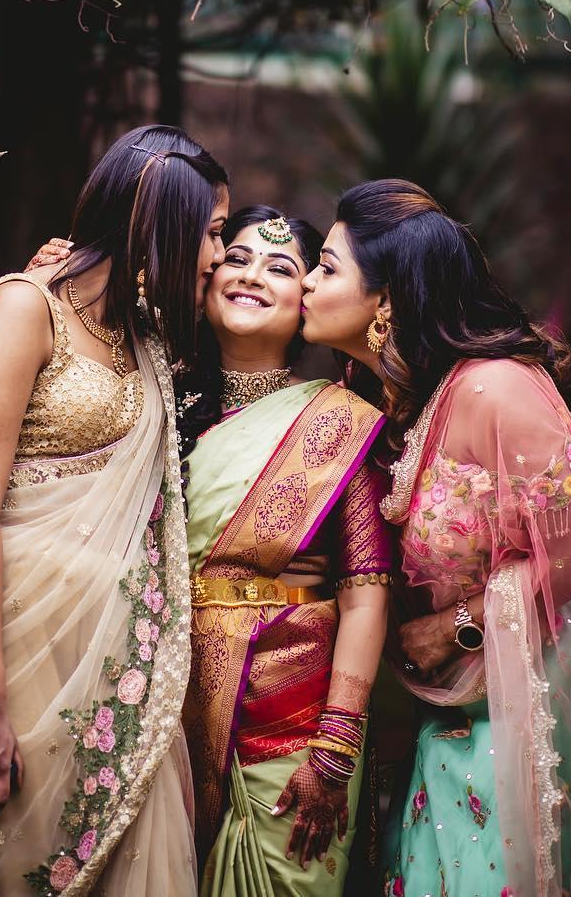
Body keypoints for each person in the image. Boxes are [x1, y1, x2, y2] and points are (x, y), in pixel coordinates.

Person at [299, 179, 571, 897]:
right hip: (471, 704)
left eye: (325, 268)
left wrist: (459, 628)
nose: (305, 284)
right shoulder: (395, 399)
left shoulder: (493, 388)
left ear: (385, 300)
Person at [0, 125, 229, 897]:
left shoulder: (143, 335)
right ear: (162, 225)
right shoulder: (26, 309)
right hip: (5, 656)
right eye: (214, 233)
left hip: (112, 672)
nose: (220, 257)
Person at [178, 206, 394, 897]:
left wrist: (335, 745)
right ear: (206, 279)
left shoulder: (339, 424)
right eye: (235, 258)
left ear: (308, 297)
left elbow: (367, 589)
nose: (251, 276)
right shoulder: (156, 404)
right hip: (162, 706)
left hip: (294, 714)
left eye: (280, 267)